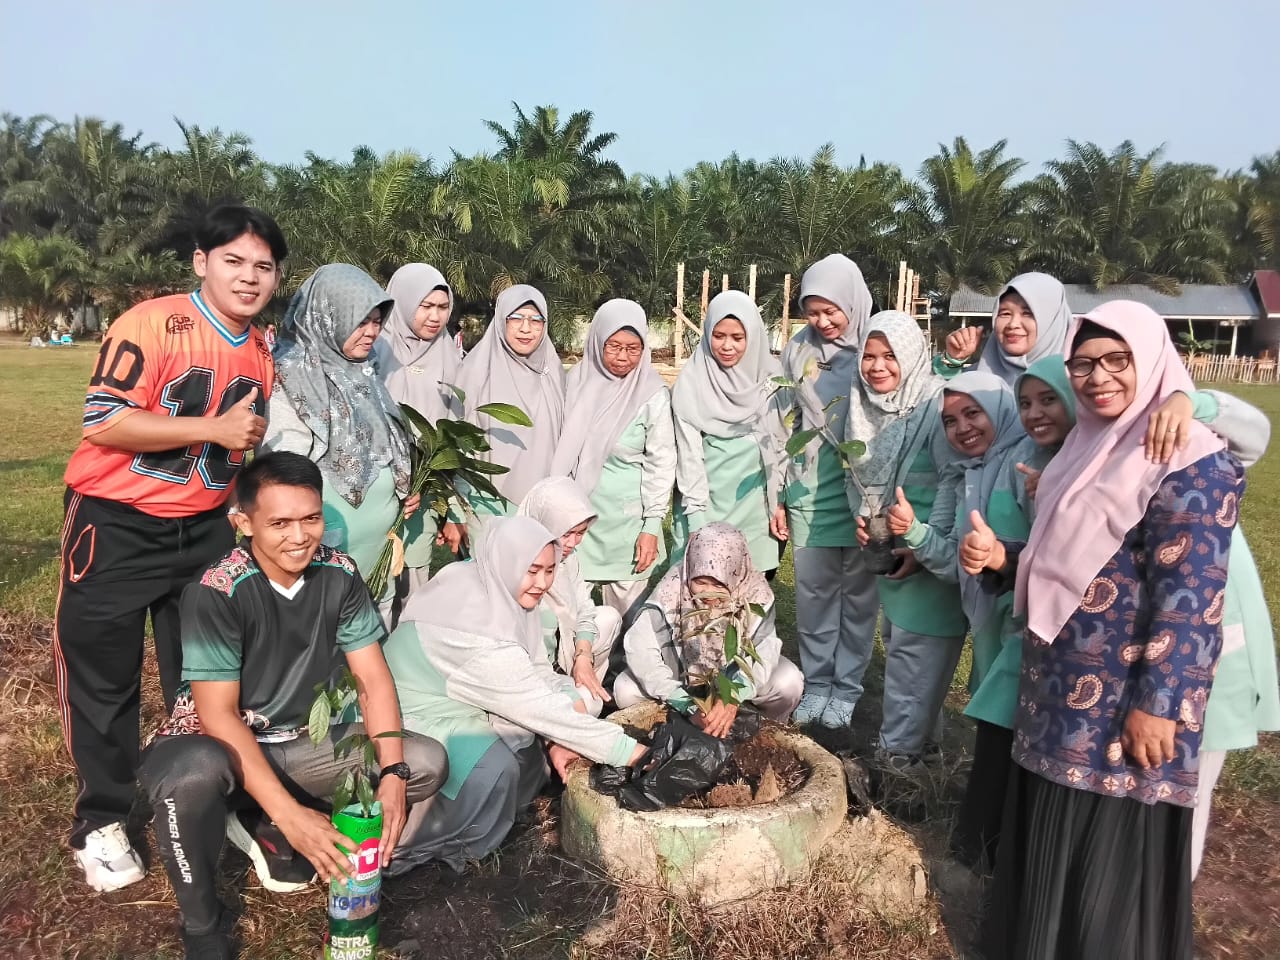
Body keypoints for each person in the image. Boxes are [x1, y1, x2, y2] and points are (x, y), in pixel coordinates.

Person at [973, 301, 1243, 960]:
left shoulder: (1186, 456)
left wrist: (1158, 706)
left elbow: (1193, 598)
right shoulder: (1084, 447)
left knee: (1106, 865)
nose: (1098, 378)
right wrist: (1002, 560)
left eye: (1116, 360)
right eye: (1084, 364)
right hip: (1060, 700)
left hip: (1124, 707)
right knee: (1053, 848)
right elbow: (1064, 559)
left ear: (1150, 359)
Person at [55, 204, 285, 892]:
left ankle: (200, 797)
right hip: (118, 521)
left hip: (206, 526)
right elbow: (104, 422)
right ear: (201, 261)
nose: (249, 278)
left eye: (264, 266)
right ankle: (101, 816)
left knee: (205, 678)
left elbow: (240, 447)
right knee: (104, 674)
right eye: (234, 261)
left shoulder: (261, 348)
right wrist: (211, 427)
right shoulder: (152, 323)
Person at [138, 452, 447, 960]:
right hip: (218, 745)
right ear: (243, 522)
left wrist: (392, 773)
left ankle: (265, 822)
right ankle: (202, 923)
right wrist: (295, 814)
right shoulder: (217, 591)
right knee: (191, 772)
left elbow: (372, 677)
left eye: (310, 518)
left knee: (425, 763)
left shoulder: (339, 574)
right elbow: (218, 716)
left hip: (298, 744)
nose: (299, 536)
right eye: (279, 523)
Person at [383, 516, 650, 872]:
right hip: (412, 721)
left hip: (463, 702)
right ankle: (408, 838)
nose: (542, 583)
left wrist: (567, 719)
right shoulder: (475, 628)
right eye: (532, 570)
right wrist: (632, 753)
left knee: (542, 740)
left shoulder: (493, 586)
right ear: (508, 562)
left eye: (550, 570)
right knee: (497, 766)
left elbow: (535, 670)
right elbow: (534, 703)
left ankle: (491, 813)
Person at [259, 263, 417, 623]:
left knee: (371, 648)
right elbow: (283, 470)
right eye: (361, 321)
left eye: (377, 321)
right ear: (327, 316)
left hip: (375, 552)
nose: (371, 332)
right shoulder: (293, 378)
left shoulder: (365, 372)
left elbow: (387, 443)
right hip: (321, 551)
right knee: (320, 648)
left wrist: (403, 483)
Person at [845, 311, 968, 768]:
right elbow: (869, 481)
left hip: (926, 554)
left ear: (914, 357)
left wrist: (920, 543)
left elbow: (951, 481)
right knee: (910, 663)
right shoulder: (877, 409)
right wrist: (870, 523)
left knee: (914, 665)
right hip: (896, 551)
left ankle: (897, 769)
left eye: (890, 356)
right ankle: (923, 755)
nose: (877, 367)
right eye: (870, 356)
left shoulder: (937, 409)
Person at [776, 254, 880, 728]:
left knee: (859, 596)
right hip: (810, 490)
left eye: (831, 310)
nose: (822, 322)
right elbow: (781, 421)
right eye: (812, 312)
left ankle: (848, 688)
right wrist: (780, 489)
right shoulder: (798, 350)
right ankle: (818, 682)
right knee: (816, 593)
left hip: (863, 490)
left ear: (853, 303)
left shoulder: (875, 350)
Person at [614, 522, 803, 732]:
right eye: (701, 582)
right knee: (625, 689)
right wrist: (683, 701)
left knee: (788, 681)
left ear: (736, 574)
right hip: (680, 679)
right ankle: (663, 729)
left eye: (719, 585)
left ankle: (760, 730)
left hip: (734, 680)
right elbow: (641, 651)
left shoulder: (755, 593)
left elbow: (765, 652)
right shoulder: (671, 590)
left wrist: (732, 695)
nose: (708, 594)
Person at [552, 298, 674, 619]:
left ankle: (624, 669)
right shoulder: (574, 383)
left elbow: (662, 462)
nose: (623, 357)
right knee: (570, 609)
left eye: (633, 348)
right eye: (614, 346)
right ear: (597, 341)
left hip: (628, 525)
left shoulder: (651, 394)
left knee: (627, 615)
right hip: (576, 520)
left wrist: (651, 526)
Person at [671, 290, 787, 576]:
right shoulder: (691, 383)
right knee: (699, 597)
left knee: (751, 598)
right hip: (703, 506)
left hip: (756, 512)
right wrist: (697, 520)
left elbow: (781, 447)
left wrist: (778, 502)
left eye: (738, 337)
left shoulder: (772, 382)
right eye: (719, 335)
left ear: (754, 337)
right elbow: (688, 457)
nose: (727, 346)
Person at [374, 263, 465, 593]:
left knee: (416, 571)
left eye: (442, 308)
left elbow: (457, 425)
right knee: (377, 569)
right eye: (425, 306)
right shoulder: (376, 348)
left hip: (425, 483)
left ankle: (407, 637)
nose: (435, 317)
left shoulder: (450, 358)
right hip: (376, 483)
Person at [453, 285, 566, 533]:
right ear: (501, 319)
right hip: (486, 504)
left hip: (543, 504)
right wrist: (455, 509)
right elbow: (456, 443)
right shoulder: (475, 372)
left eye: (536, 320)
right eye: (516, 318)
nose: (526, 328)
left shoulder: (553, 372)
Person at [517, 476, 622, 716]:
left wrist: (583, 656)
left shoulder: (567, 560)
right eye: (566, 533)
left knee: (607, 617)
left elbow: (585, 607)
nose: (573, 543)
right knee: (587, 706)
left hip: (562, 651)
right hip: (529, 671)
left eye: (580, 533)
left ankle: (583, 678)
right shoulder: (516, 563)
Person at [935, 272, 1072, 381]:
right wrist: (953, 360)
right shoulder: (976, 381)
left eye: (1027, 313)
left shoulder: (1079, 386)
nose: (1013, 324)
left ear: (1053, 321)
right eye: (1005, 313)